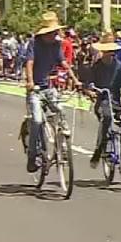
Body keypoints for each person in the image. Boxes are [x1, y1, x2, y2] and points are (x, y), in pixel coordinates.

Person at [24, 12, 81, 172]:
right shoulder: (34, 43)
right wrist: (30, 81)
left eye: (55, 32)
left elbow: (63, 62)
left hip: (49, 87)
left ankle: (62, 142)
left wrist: (75, 79)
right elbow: (30, 63)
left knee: (60, 110)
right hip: (35, 88)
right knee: (36, 120)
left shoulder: (56, 44)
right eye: (51, 32)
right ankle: (32, 154)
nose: (53, 35)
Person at [83, 35, 121, 169]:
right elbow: (88, 83)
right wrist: (91, 90)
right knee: (106, 119)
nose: (110, 55)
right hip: (103, 102)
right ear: (103, 52)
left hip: (116, 102)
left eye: (112, 52)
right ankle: (98, 151)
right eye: (107, 52)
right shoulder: (96, 66)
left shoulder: (118, 65)